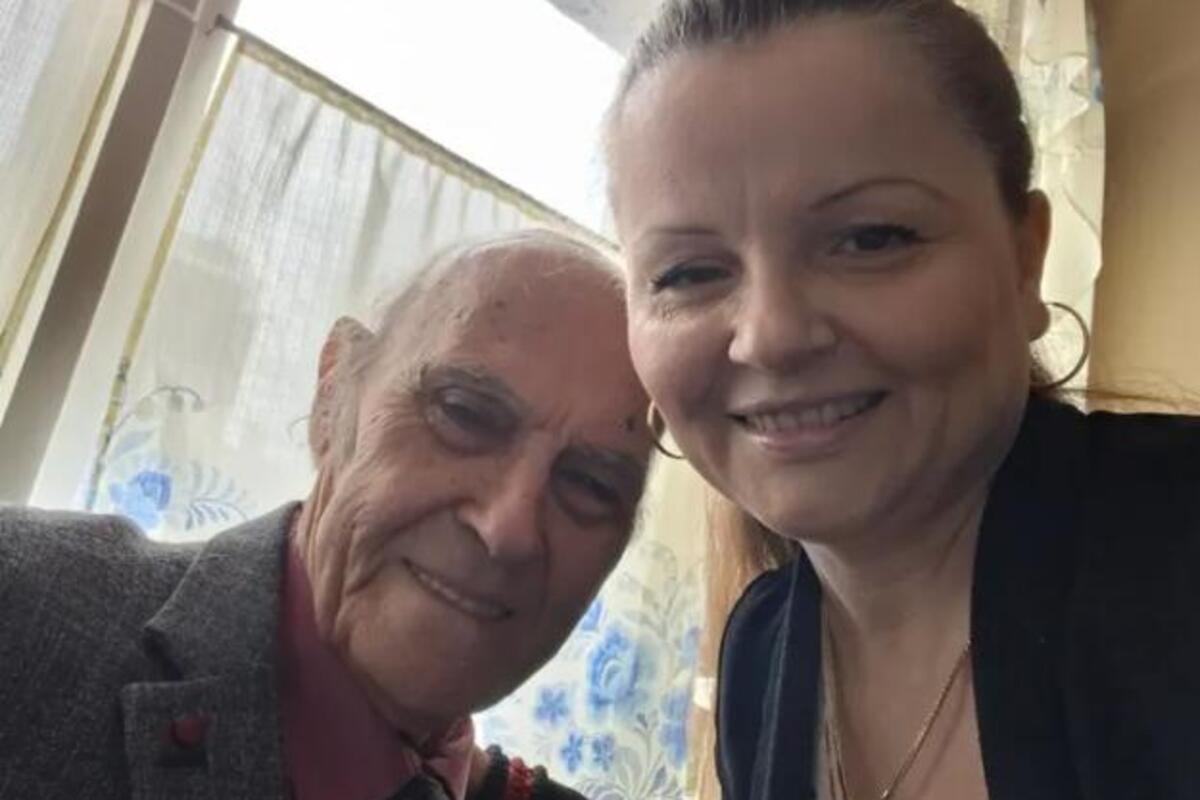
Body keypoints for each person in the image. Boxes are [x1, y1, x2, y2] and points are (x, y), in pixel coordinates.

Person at [605, 1, 1200, 799]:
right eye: (687, 273)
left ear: (1024, 260)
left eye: (872, 237)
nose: (771, 337)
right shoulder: (758, 653)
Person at [0, 230, 654, 800]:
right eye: (463, 413)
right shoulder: (22, 611)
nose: (508, 529)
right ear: (334, 394)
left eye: (592, 484)